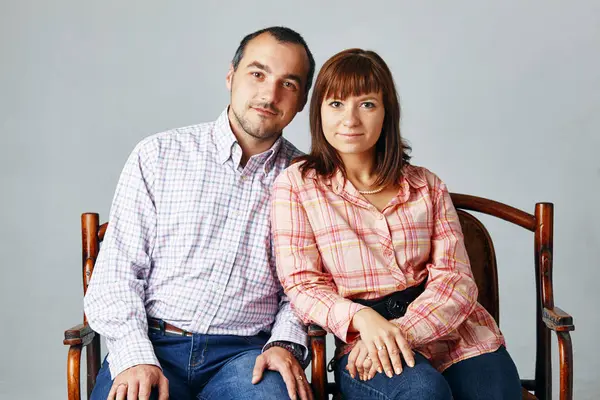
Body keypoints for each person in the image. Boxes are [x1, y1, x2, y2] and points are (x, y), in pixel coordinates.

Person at [271, 48, 522, 399]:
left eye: (367, 104)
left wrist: (401, 331)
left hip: (457, 332)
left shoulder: (426, 185)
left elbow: (457, 280)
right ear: (319, 112)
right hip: (364, 342)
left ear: (387, 112)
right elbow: (303, 285)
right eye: (336, 104)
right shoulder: (298, 185)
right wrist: (365, 321)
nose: (350, 119)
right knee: (422, 393)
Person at [84, 26, 316, 400]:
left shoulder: (308, 181)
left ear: (302, 100)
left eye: (288, 84)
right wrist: (134, 356)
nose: (269, 94)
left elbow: (306, 289)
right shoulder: (158, 155)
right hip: (154, 342)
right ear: (230, 76)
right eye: (257, 74)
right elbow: (117, 273)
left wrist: (285, 345)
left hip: (247, 355)